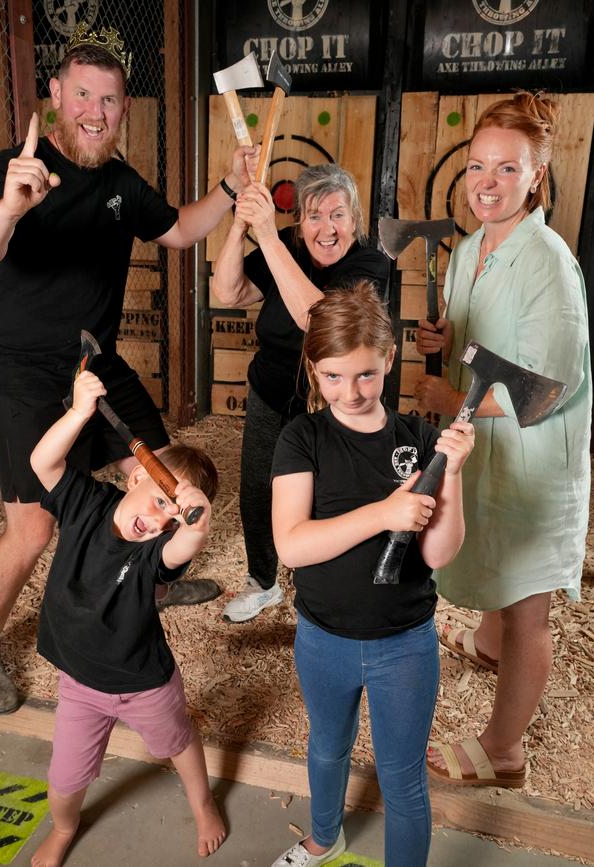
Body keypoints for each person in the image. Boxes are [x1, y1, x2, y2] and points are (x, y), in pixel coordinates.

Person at [0, 23, 256, 714]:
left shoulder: (118, 181)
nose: (95, 111)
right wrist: (8, 206)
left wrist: (230, 188)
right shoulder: (17, 167)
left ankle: (147, 577)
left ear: (124, 109)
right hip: (25, 372)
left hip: (95, 360)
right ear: (56, 96)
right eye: (83, 95)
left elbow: (178, 228)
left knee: (161, 470)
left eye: (110, 100)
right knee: (32, 526)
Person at [415, 92, 591, 788]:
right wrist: (442, 339)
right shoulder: (471, 250)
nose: (486, 183)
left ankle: (505, 748)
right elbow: (476, 343)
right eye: (477, 166)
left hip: (537, 454)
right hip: (491, 445)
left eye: (507, 170)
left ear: (537, 176)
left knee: (528, 607)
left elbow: (545, 387)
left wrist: (446, 397)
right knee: (495, 553)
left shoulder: (547, 260)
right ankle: (486, 643)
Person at [270, 281, 474, 867]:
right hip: (323, 639)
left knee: (402, 777)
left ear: (388, 359)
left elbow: (437, 555)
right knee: (327, 749)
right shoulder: (302, 439)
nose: (351, 391)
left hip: (404, 646)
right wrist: (384, 513)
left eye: (365, 374)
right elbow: (292, 544)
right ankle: (323, 836)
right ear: (314, 370)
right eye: (333, 376)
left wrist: (452, 475)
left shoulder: (420, 441)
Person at [28, 368, 225, 867]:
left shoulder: (158, 549)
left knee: (177, 741)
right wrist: (77, 414)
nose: (159, 519)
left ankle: (202, 804)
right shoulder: (87, 503)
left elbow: (182, 547)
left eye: (171, 514)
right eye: (161, 500)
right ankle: (65, 829)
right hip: (79, 684)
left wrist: (194, 523)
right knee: (64, 781)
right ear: (136, 475)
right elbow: (42, 461)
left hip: (144, 684)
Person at [212, 164, 390, 623]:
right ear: (299, 222)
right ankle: (263, 582)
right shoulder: (286, 246)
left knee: (332, 497)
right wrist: (241, 225)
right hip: (270, 395)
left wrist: (269, 238)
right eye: (314, 215)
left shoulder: (369, 265)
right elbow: (227, 291)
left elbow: (322, 323)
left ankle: (328, 587)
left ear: (355, 219)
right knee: (257, 490)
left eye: (338, 214)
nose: (327, 228)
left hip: (335, 406)